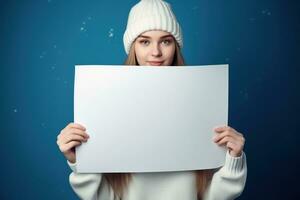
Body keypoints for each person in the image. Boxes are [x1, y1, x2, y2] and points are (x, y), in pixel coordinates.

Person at [56, 0, 247, 199]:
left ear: (176, 46)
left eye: (165, 41)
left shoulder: (203, 100)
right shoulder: (106, 103)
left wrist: (233, 159)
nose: (155, 52)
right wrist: (81, 161)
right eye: (145, 41)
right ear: (133, 47)